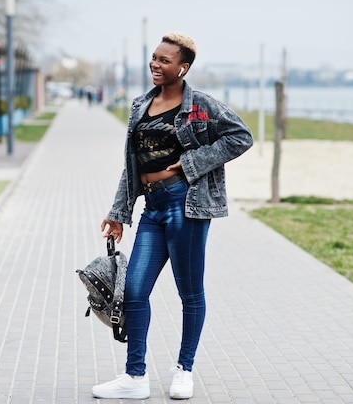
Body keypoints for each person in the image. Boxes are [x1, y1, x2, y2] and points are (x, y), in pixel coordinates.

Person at [94, 32, 253, 400]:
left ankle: (184, 369)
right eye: (154, 57)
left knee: (190, 292)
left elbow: (240, 137)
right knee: (133, 290)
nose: (156, 64)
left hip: (186, 204)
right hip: (152, 207)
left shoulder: (201, 106)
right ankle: (135, 377)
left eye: (165, 60)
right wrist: (119, 212)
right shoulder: (139, 105)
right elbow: (131, 165)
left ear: (183, 68)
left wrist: (194, 163)